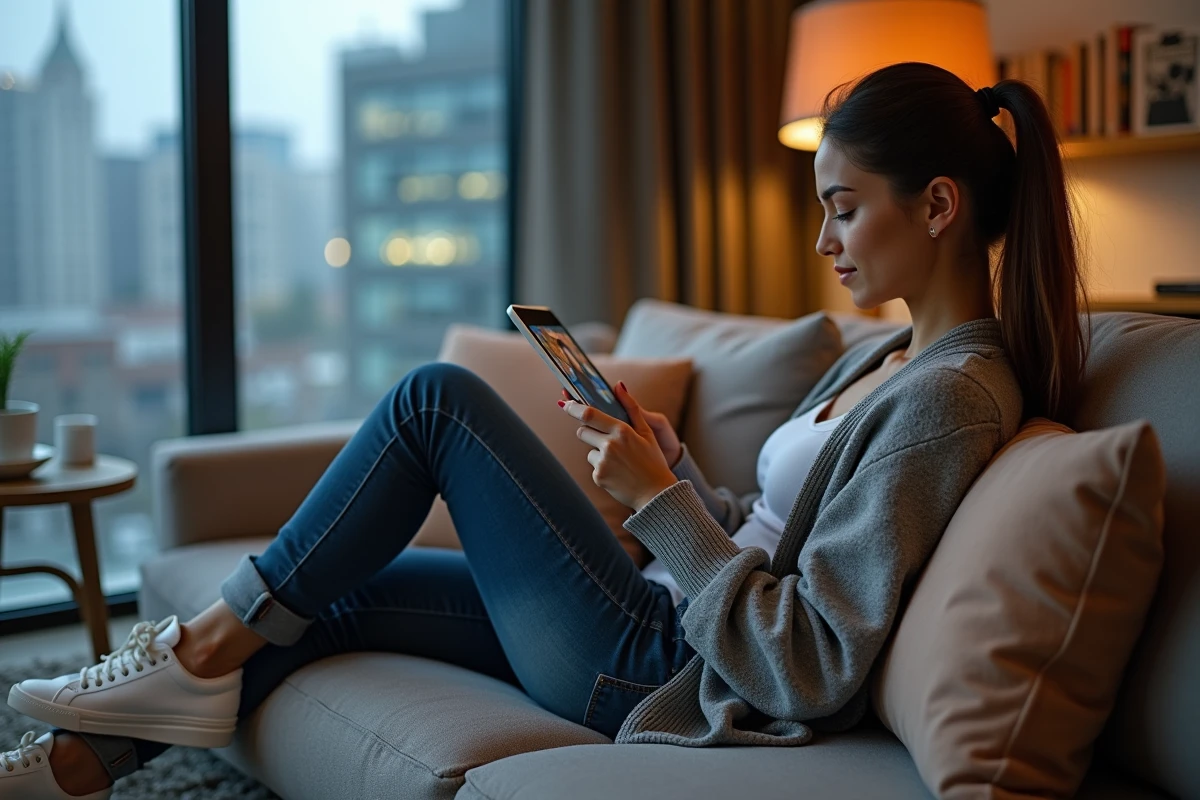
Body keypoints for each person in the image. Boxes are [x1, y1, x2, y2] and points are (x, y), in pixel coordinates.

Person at [1, 61, 1087, 799]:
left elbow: (809, 660)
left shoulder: (952, 397)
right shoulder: (882, 356)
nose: (824, 238)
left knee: (435, 400)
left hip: (661, 665)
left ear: (938, 206)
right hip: (666, 611)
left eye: (844, 206)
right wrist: (678, 477)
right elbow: (769, 533)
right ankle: (81, 762)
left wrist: (659, 508)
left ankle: (186, 651)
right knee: (327, 598)